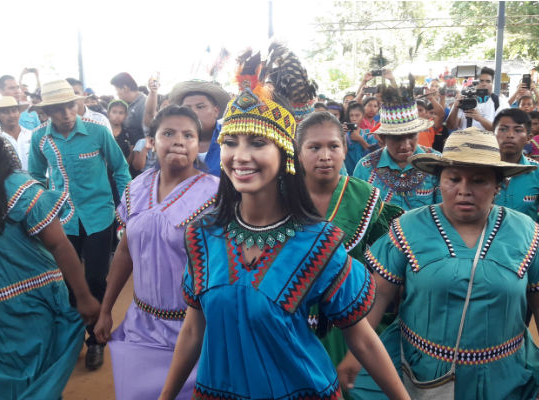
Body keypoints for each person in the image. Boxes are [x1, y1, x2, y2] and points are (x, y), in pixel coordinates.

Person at [158, 78, 410, 400]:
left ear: (285, 154)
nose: (240, 155)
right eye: (231, 142)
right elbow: (194, 330)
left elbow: (361, 339)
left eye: (258, 143)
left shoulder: (319, 242)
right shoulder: (203, 236)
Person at [352, 127, 539, 399]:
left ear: (498, 185)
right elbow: (380, 293)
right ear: (438, 181)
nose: (464, 190)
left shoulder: (526, 232)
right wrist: (355, 351)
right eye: (453, 179)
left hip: (508, 380)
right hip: (420, 376)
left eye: (479, 181)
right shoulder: (407, 228)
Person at [0, 105, 100, 398]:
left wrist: (85, 297)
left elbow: (59, 245)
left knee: (32, 387)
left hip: (24, 316)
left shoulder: (21, 189)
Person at [93, 105, 218, 399]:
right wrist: (106, 309)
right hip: (142, 328)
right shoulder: (136, 188)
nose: (178, 140)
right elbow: (125, 252)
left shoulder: (217, 194)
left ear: (198, 145)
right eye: (168, 133)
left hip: (197, 331)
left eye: (188, 135)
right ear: (152, 141)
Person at [296, 111, 403, 392]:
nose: (325, 155)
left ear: (345, 149)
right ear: (298, 152)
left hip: (351, 326)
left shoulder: (366, 198)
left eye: (333, 146)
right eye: (314, 147)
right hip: (290, 325)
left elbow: (389, 266)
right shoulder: (280, 197)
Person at [29, 80, 131, 371]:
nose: (66, 113)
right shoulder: (40, 139)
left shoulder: (98, 132)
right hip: (63, 220)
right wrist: (41, 208)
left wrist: (129, 206)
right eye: (58, 109)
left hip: (99, 217)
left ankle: (96, 341)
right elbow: (35, 176)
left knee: (97, 279)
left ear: (77, 105)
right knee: (68, 282)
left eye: (70, 106)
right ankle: (73, 338)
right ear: (47, 112)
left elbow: (121, 168)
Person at [353, 83, 441, 211]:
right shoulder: (365, 168)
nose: (405, 146)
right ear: (382, 138)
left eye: (411, 136)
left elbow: (446, 213)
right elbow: (358, 213)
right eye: (397, 138)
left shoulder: (436, 163)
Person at [493, 108, 539, 222]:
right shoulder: (481, 170)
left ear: (528, 138)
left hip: (527, 239)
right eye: (503, 129)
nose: (510, 135)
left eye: (518, 130)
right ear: (493, 134)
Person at [169, 80, 230, 176]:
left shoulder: (231, 138)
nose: (193, 113)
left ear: (216, 111)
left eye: (200, 107)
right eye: (187, 108)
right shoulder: (172, 142)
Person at [446, 67, 497, 131]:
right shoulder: (464, 99)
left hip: (485, 140)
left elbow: (499, 130)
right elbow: (451, 126)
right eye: (481, 81)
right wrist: (455, 108)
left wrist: (480, 119)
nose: (484, 84)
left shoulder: (498, 102)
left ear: (492, 83)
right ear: (475, 82)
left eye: (488, 81)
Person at [0, 96, 32, 170]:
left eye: (14, 111)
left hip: (34, 180)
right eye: (5, 112)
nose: (11, 115)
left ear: (19, 113)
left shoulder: (31, 135)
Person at [110, 72, 147, 144]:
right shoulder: (128, 104)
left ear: (125, 88)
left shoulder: (143, 104)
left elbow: (149, 135)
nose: (116, 94)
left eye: (116, 90)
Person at [344, 101, 377, 172]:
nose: (354, 118)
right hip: (348, 173)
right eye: (351, 115)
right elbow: (342, 155)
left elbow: (374, 154)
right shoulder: (345, 134)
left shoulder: (368, 134)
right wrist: (342, 135)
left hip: (365, 172)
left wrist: (360, 140)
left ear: (362, 116)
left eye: (357, 115)